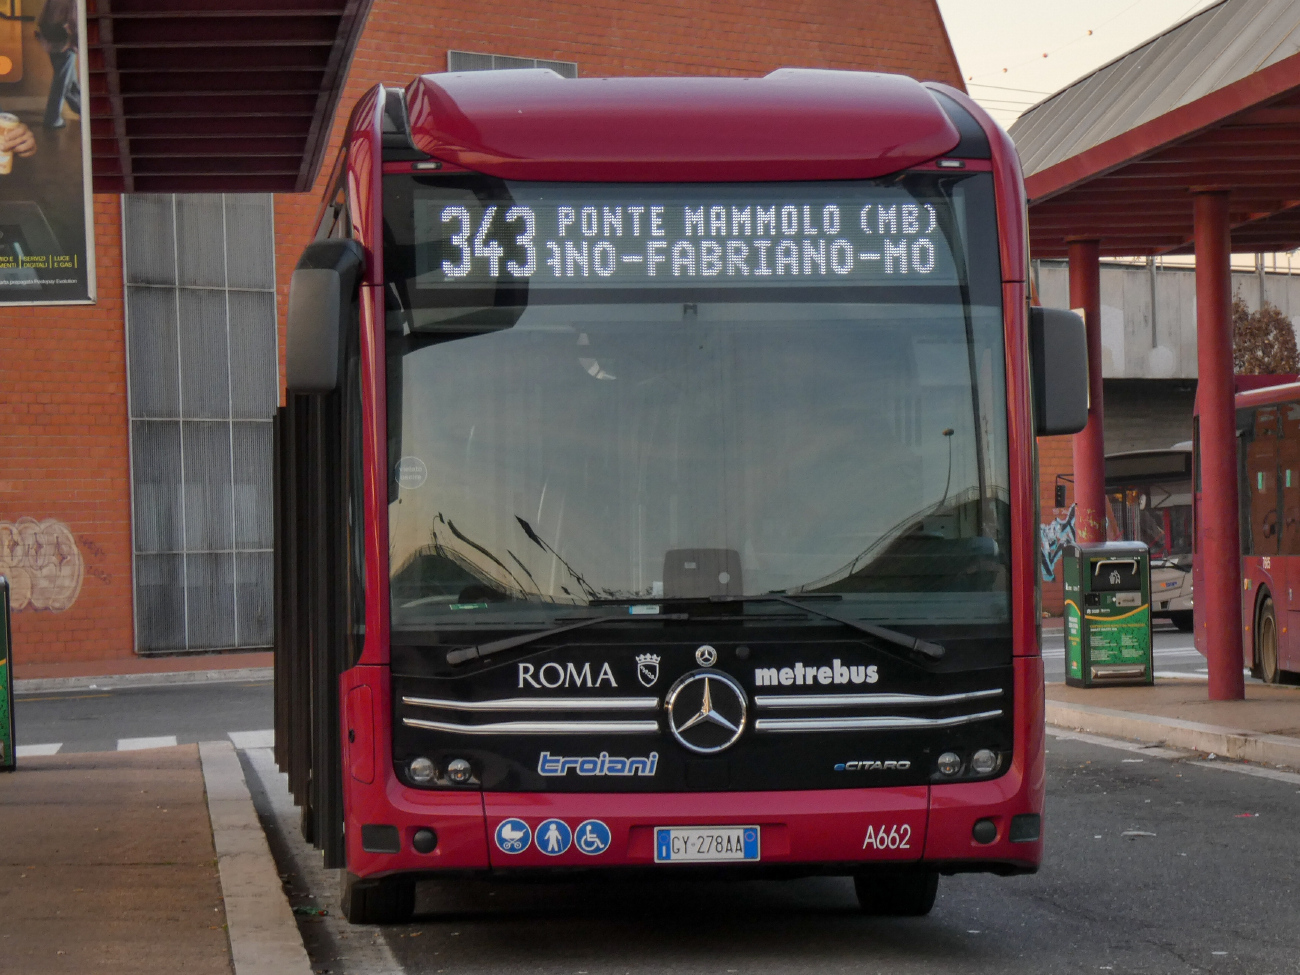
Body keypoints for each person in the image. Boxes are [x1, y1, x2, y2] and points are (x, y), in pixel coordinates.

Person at [36, 0, 80, 130]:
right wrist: (76, 43)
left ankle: (83, 109)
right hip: (66, 44)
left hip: (52, 41)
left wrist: (45, 40)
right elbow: (74, 22)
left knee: (69, 82)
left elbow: (42, 18)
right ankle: (52, 118)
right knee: (61, 83)